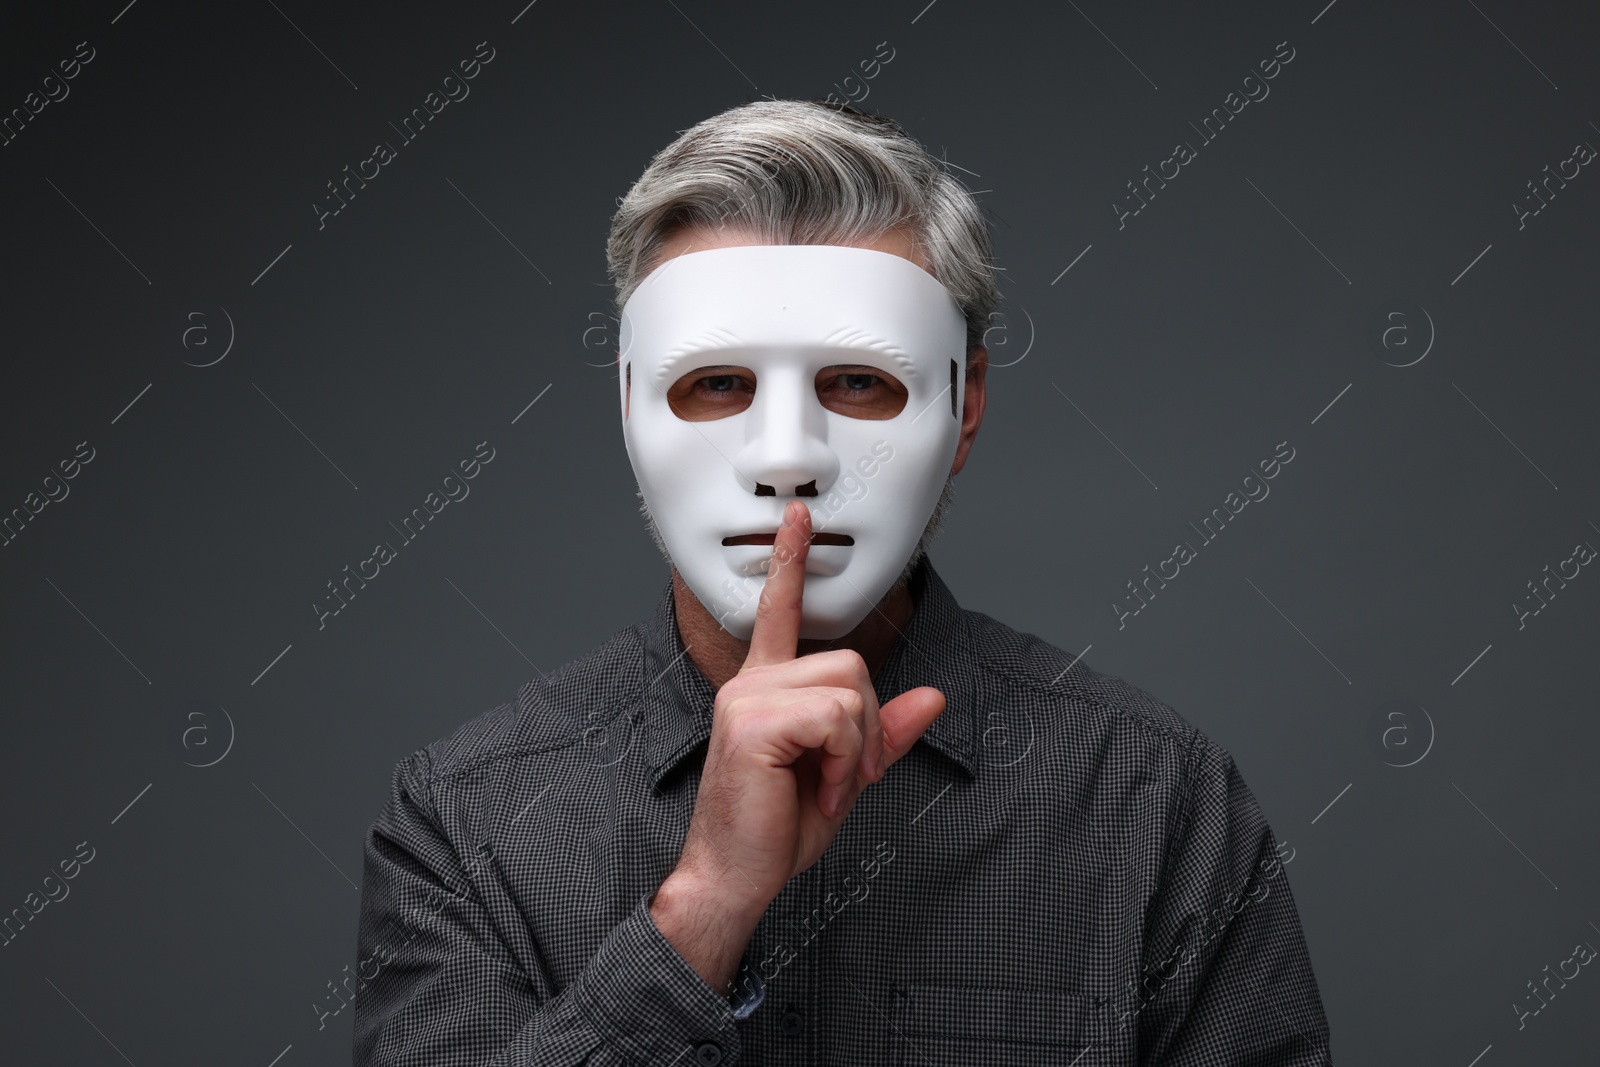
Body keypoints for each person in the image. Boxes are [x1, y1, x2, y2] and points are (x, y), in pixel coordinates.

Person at [352, 98, 1332, 1065]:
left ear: (966, 401)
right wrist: (703, 905)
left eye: (859, 382)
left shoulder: (1149, 798)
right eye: (718, 382)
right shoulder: (467, 822)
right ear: (625, 399)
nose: (788, 458)